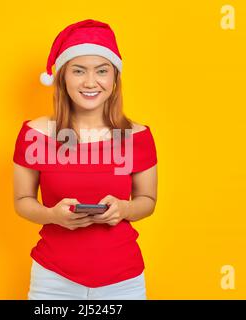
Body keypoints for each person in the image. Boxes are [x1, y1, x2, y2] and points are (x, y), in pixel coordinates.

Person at [13, 19, 158, 300]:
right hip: (52, 279)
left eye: (101, 71)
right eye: (78, 71)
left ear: (114, 79)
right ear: (63, 77)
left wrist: (124, 209)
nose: (90, 82)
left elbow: (148, 202)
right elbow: (22, 201)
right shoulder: (35, 134)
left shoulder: (137, 136)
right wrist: (52, 215)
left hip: (123, 280)